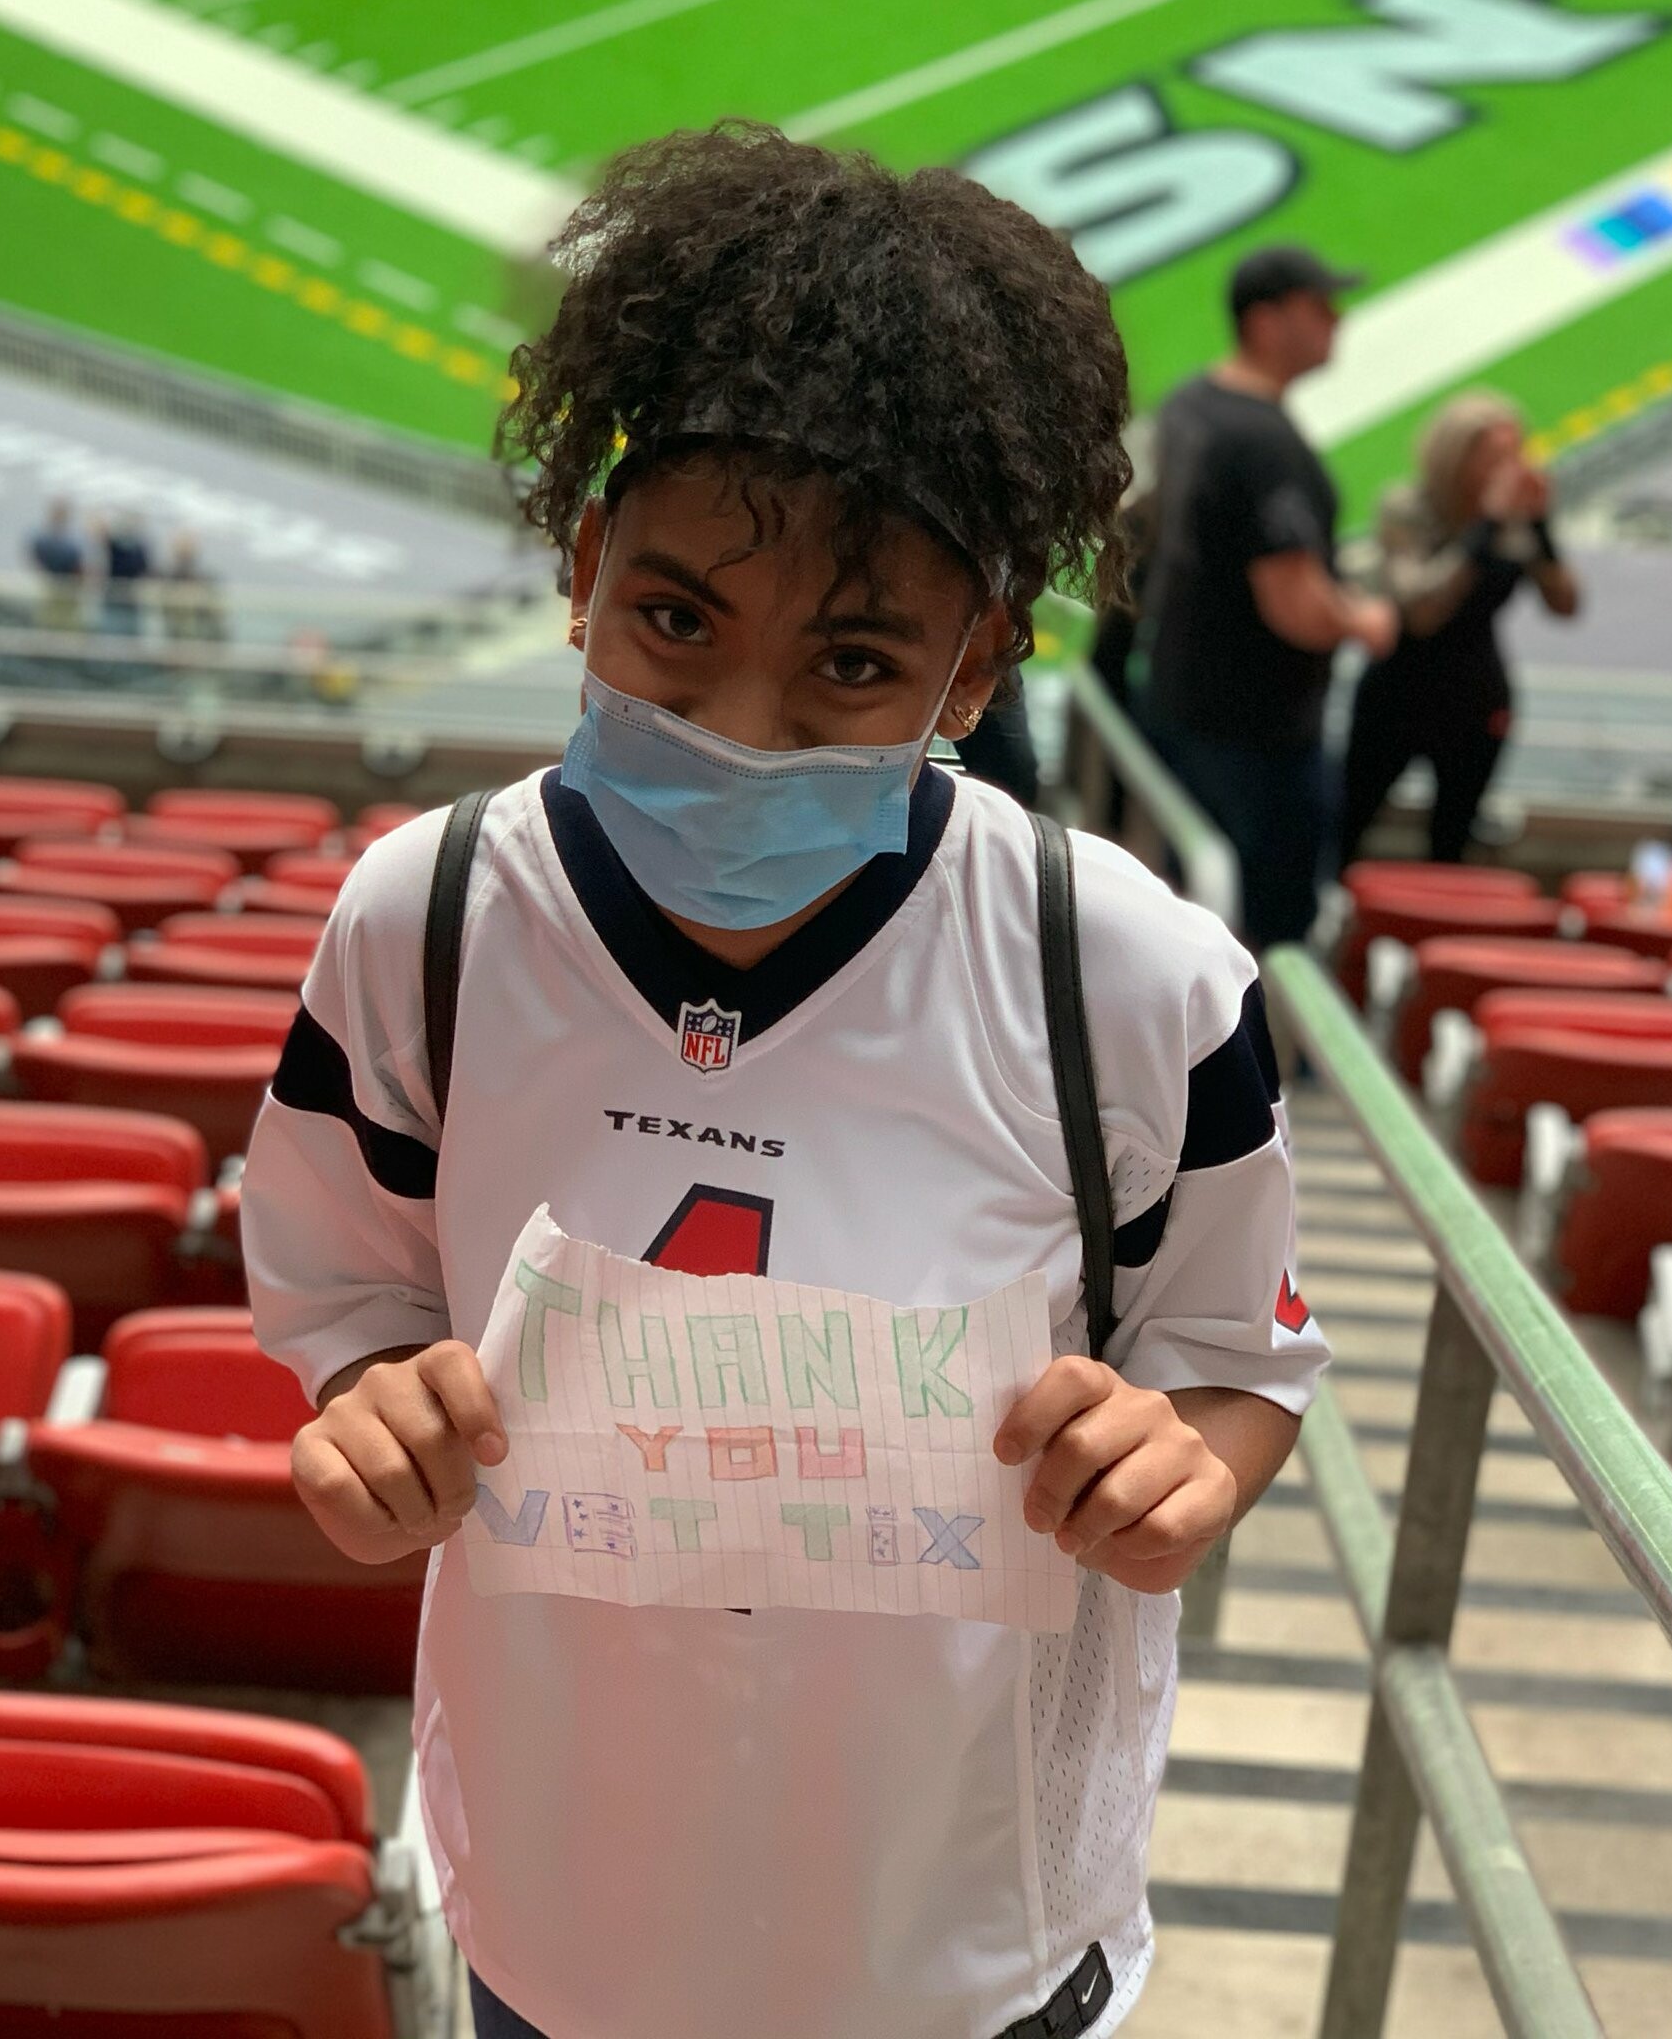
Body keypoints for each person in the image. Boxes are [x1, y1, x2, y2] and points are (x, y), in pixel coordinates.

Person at [243, 124, 1327, 2039]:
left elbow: (1236, 1357)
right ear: (585, 564)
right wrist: (364, 1413)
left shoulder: (1133, 980)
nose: (741, 730)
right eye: (677, 620)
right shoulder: (424, 921)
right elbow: (349, 1298)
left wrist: (1186, 1469)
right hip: (555, 1925)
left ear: (975, 668)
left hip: (962, 1947)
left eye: (851, 661)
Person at [1137, 244, 1397, 948]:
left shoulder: (1191, 403)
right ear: (1265, 320)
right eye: (1319, 307)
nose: (1337, 320)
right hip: (1256, 738)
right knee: (1273, 938)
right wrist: (1366, 619)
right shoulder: (1261, 442)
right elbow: (1296, 607)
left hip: (1180, 699)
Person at [1338, 393, 1580, 867]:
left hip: (1475, 697)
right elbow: (1421, 611)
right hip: (1398, 692)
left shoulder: (1517, 523)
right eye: (1494, 457)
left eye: (1515, 454)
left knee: (1453, 838)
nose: (1508, 470)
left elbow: (1566, 605)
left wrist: (1542, 526)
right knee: (1348, 819)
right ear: (1455, 456)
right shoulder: (1408, 508)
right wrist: (1485, 527)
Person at [25, 497, 86, 634]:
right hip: (54, 585)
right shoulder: (46, 538)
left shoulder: (72, 538)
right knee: (51, 620)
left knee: (66, 622)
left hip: (68, 586)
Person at [96, 512, 151, 637]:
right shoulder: (115, 546)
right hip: (114, 594)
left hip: (130, 597)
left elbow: (143, 569)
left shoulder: (138, 549)